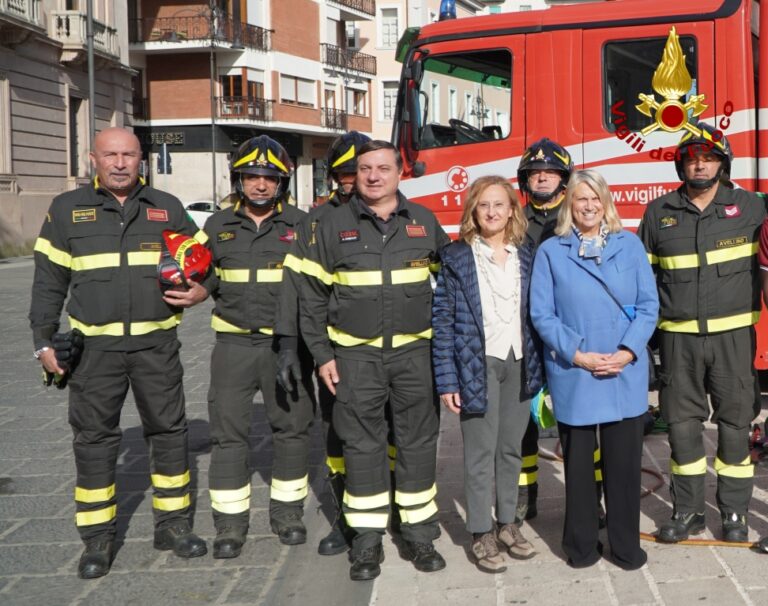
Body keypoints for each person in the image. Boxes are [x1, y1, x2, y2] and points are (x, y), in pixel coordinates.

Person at [29, 127, 209, 579]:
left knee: (169, 433)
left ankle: (172, 525)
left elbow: (204, 260)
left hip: (156, 346)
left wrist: (203, 290)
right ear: (94, 159)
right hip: (95, 352)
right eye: (111, 155)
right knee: (93, 441)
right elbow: (49, 281)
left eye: (129, 154)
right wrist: (43, 341)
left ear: (141, 158)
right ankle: (98, 538)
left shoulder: (166, 207)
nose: (121, 163)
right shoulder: (67, 209)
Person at [300, 140, 450, 581]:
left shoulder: (423, 222)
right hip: (355, 357)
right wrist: (322, 355)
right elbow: (311, 298)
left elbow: (451, 290)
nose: (373, 176)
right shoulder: (329, 225)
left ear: (400, 173)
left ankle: (417, 530)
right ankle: (366, 540)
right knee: (361, 445)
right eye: (365, 169)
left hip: (415, 356)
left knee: (418, 442)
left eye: (383, 168)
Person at [638, 123, 765, 543]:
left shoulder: (750, 207)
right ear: (681, 163)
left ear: (722, 163)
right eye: (692, 157)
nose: (700, 164)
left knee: (734, 426)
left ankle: (733, 514)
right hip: (678, 342)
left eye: (709, 157)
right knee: (681, 427)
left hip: (732, 339)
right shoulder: (659, 213)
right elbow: (643, 280)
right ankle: (689, 510)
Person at [530, 169, 658, 570]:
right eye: (581, 199)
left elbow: (649, 305)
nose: (588, 206)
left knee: (623, 469)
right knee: (580, 472)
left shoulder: (630, 246)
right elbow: (542, 314)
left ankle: (625, 547)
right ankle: (581, 547)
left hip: (623, 370)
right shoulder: (551, 251)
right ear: (569, 203)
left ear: (606, 203)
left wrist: (627, 351)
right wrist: (578, 354)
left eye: (595, 198)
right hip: (577, 371)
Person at [200, 135, 316, 558]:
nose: (261, 185)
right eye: (252, 177)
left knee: (292, 430)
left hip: (286, 346)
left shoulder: (303, 225)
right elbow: (207, 277)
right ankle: (230, 524)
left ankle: (287, 514)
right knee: (227, 433)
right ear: (239, 180)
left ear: (282, 182)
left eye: (269, 178)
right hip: (232, 344)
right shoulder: (216, 226)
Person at [277, 130, 384, 556]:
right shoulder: (316, 222)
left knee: (393, 438)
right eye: (344, 172)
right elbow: (295, 290)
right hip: (338, 354)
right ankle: (346, 518)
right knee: (340, 437)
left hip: (394, 354)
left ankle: (388, 516)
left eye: (358, 170)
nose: (352, 179)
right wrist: (288, 345)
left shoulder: (399, 213)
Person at [432, 175, 539, 573]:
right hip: (476, 364)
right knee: (479, 454)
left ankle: (508, 523)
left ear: (512, 209)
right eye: (483, 205)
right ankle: (481, 533)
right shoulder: (457, 256)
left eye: (499, 204)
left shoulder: (526, 253)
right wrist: (447, 379)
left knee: (510, 450)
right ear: (473, 212)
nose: (492, 212)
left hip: (519, 363)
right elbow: (442, 319)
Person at [515, 138, 604, 525]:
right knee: (522, 424)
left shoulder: (576, 222)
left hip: (568, 334)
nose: (542, 178)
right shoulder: (512, 220)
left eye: (550, 172)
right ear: (525, 180)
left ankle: (590, 500)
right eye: (535, 173)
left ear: (564, 179)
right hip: (522, 333)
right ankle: (523, 498)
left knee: (580, 423)